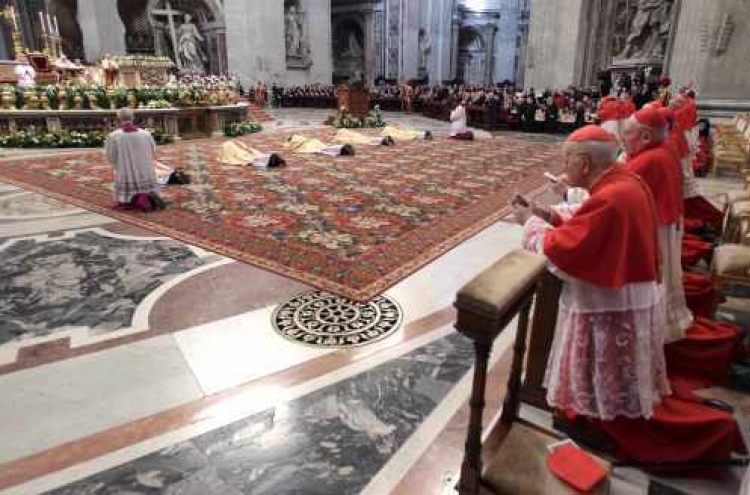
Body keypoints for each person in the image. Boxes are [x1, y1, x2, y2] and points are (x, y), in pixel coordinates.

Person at [513, 125, 670, 420]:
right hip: (628, 291)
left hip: (609, 303)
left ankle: (596, 417)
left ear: (585, 163)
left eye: (566, 160)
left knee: (602, 373)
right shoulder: (622, 180)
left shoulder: (613, 196)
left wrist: (528, 223)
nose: (562, 167)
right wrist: (546, 214)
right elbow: (587, 215)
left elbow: (563, 248)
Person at [621, 106, 692, 342]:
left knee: (653, 282)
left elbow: (614, 195)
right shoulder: (664, 148)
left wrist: (571, 194)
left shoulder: (648, 160)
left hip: (654, 229)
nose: (622, 136)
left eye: (628, 132)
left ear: (646, 137)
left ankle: (651, 332)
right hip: (664, 222)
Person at [105, 108, 161, 207]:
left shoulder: (114, 136)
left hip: (126, 170)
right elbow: (153, 150)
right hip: (145, 169)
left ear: (119, 119)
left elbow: (111, 156)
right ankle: (148, 195)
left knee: (123, 174)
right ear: (133, 118)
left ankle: (127, 198)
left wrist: (117, 165)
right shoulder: (146, 134)